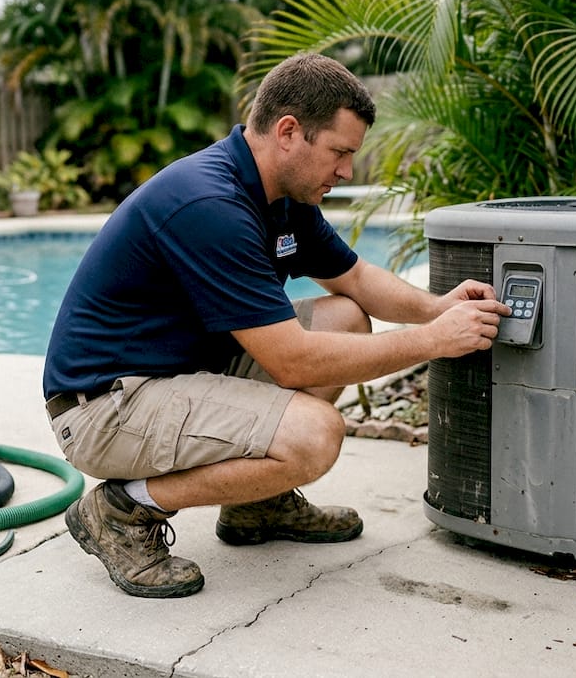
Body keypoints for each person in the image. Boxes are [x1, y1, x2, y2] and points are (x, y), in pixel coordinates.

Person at [42, 52, 509, 598]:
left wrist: (438, 307)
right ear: (289, 131)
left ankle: (255, 507)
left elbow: (356, 280)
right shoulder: (209, 203)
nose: (346, 172)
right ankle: (120, 510)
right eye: (339, 152)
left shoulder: (281, 197)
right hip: (106, 408)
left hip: (178, 374)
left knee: (345, 317)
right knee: (313, 437)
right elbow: (294, 360)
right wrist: (432, 341)